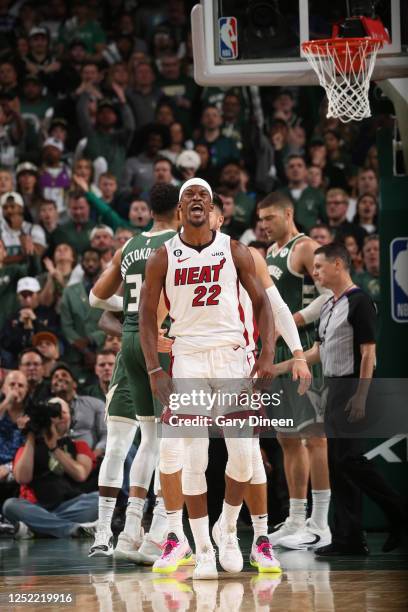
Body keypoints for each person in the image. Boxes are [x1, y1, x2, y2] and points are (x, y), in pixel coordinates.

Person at [139, 178, 277, 580]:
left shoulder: (233, 249)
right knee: (194, 457)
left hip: (234, 357)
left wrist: (267, 353)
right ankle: (201, 549)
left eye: (203, 194)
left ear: (212, 206)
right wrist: (153, 368)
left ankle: (229, 530)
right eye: (188, 196)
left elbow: (263, 302)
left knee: (243, 456)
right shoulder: (162, 257)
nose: (196, 199)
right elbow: (147, 317)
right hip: (189, 360)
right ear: (179, 211)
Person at [275, 242, 405, 554]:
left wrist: (361, 396)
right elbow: (318, 352)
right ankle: (348, 538)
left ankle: (398, 511)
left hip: (353, 387)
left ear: (338, 265)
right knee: (338, 464)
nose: (315, 273)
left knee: (350, 460)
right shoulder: (330, 304)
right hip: (333, 388)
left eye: (319, 267)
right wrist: (279, 366)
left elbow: (368, 352)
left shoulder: (359, 301)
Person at [87, 183, 180, 562]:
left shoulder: (129, 246)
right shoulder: (182, 243)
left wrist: (130, 301)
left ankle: (113, 534)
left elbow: (94, 297)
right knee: (166, 441)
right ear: (178, 208)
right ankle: (157, 532)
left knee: (134, 441)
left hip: (128, 347)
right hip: (162, 344)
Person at [258, 192, 332, 550]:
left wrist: (294, 320)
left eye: (270, 218)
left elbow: (328, 294)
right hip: (279, 349)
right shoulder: (270, 253)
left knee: (313, 436)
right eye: (261, 220)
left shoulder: (305, 248)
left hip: (301, 346)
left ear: (289, 213)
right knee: (287, 438)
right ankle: (296, 518)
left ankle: (321, 522)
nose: (264, 225)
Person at [3, 398, 98, 539]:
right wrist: (30, 435)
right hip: (36, 506)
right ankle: (71, 529)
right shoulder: (27, 447)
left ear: (70, 417)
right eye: (52, 414)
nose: (57, 418)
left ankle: (37, 528)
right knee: (10, 505)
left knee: (99, 499)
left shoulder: (79, 445)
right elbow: (23, 478)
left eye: (63, 413)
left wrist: (54, 447)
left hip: (71, 504)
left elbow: (81, 474)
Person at [59, 248, 105, 378]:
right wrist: (84, 350)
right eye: (87, 261)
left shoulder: (110, 289)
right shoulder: (69, 292)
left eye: (94, 260)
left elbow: (116, 320)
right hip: (76, 355)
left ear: (101, 263)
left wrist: (92, 339)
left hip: (103, 352)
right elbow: (66, 325)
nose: (90, 264)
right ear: (81, 264)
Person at [50, 363, 106, 458]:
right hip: (57, 460)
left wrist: (94, 456)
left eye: (64, 375)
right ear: (51, 388)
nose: (60, 378)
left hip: (93, 459)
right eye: (56, 377)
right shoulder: (46, 408)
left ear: (75, 384)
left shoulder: (95, 404)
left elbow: (106, 434)